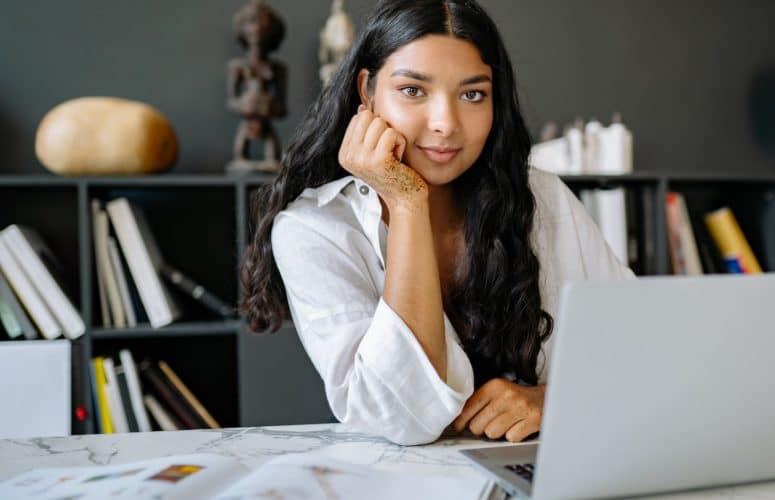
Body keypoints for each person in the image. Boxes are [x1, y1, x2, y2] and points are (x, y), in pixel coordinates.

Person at [239, 0, 633, 446]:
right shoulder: (314, 230)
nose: (445, 124)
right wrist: (407, 203)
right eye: (413, 90)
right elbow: (404, 420)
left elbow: (636, 348)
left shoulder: (542, 198)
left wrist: (553, 399)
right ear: (367, 91)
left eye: (472, 94)